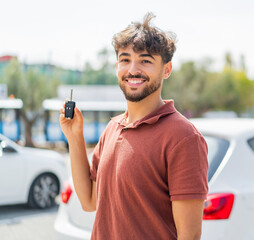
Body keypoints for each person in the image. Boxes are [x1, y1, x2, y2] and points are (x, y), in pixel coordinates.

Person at [60, 12, 208, 240]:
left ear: (166, 69)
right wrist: (74, 137)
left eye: (146, 60)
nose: (133, 70)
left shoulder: (183, 137)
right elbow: (89, 201)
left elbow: (189, 235)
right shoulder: (112, 129)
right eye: (125, 59)